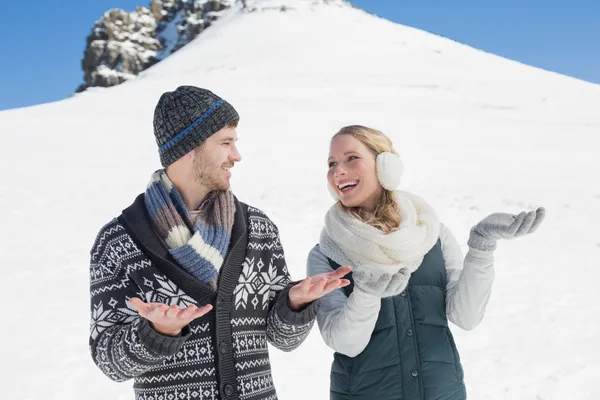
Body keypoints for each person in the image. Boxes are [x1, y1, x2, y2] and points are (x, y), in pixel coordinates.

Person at [88, 86, 351, 400]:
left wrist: (295, 304)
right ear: (188, 148)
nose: (236, 156)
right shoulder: (119, 241)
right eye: (225, 143)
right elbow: (108, 360)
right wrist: (157, 333)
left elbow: (283, 339)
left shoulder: (258, 229)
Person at [307, 125, 545, 400]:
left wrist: (482, 246)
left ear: (386, 166)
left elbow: (465, 317)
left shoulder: (432, 235)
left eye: (351, 158)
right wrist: (366, 294)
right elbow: (343, 342)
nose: (338, 171)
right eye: (331, 163)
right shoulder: (326, 253)